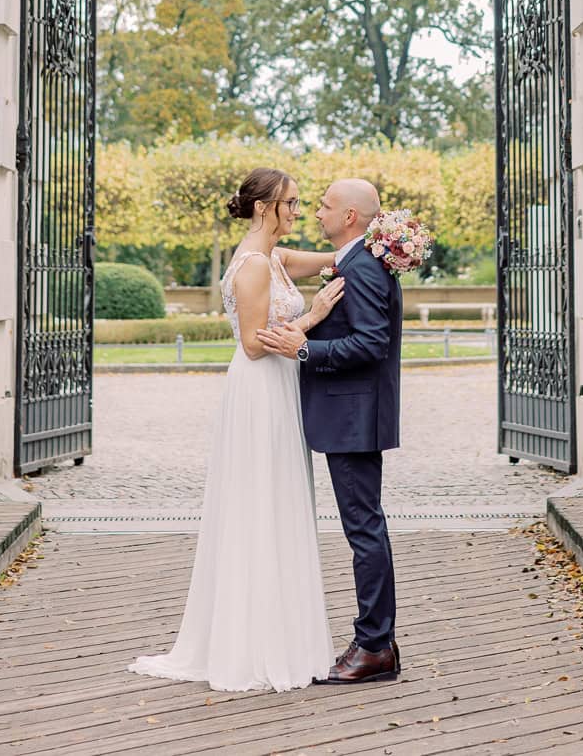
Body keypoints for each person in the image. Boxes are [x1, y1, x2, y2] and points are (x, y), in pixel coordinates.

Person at [129, 167, 343, 693]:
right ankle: (252, 644)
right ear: (264, 207)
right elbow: (253, 343)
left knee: (278, 504)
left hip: (279, 389)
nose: (298, 211)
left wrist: (369, 250)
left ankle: (282, 632)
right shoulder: (251, 266)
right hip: (258, 390)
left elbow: (323, 261)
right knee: (257, 506)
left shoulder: (274, 255)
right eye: (291, 203)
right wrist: (313, 317)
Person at [259, 177, 403, 684]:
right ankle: (379, 640)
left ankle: (374, 646)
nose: (316, 213)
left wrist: (303, 350)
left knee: (364, 530)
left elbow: (370, 344)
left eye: (323, 206)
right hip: (350, 416)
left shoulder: (362, 267)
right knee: (365, 527)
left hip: (353, 418)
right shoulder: (355, 262)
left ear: (348, 217)